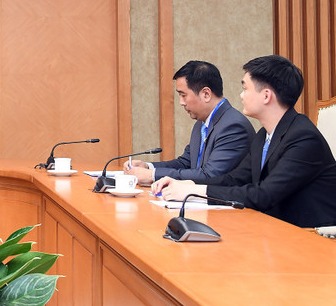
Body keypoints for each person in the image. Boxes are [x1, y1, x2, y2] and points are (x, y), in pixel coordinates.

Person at [153, 55, 336, 228]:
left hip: (310, 237)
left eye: (245, 88)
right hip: (274, 230)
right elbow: (235, 179)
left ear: (266, 96)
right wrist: (190, 185)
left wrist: (197, 193)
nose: (241, 95)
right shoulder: (264, 134)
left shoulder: (303, 138)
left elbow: (264, 195)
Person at [125, 61, 254, 185]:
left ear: (206, 94)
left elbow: (210, 175)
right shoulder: (201, 124)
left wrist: (152, 175)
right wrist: (147, 167)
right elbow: (185, 163)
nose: (181, 102)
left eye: (183, 95)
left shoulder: (233, 127)